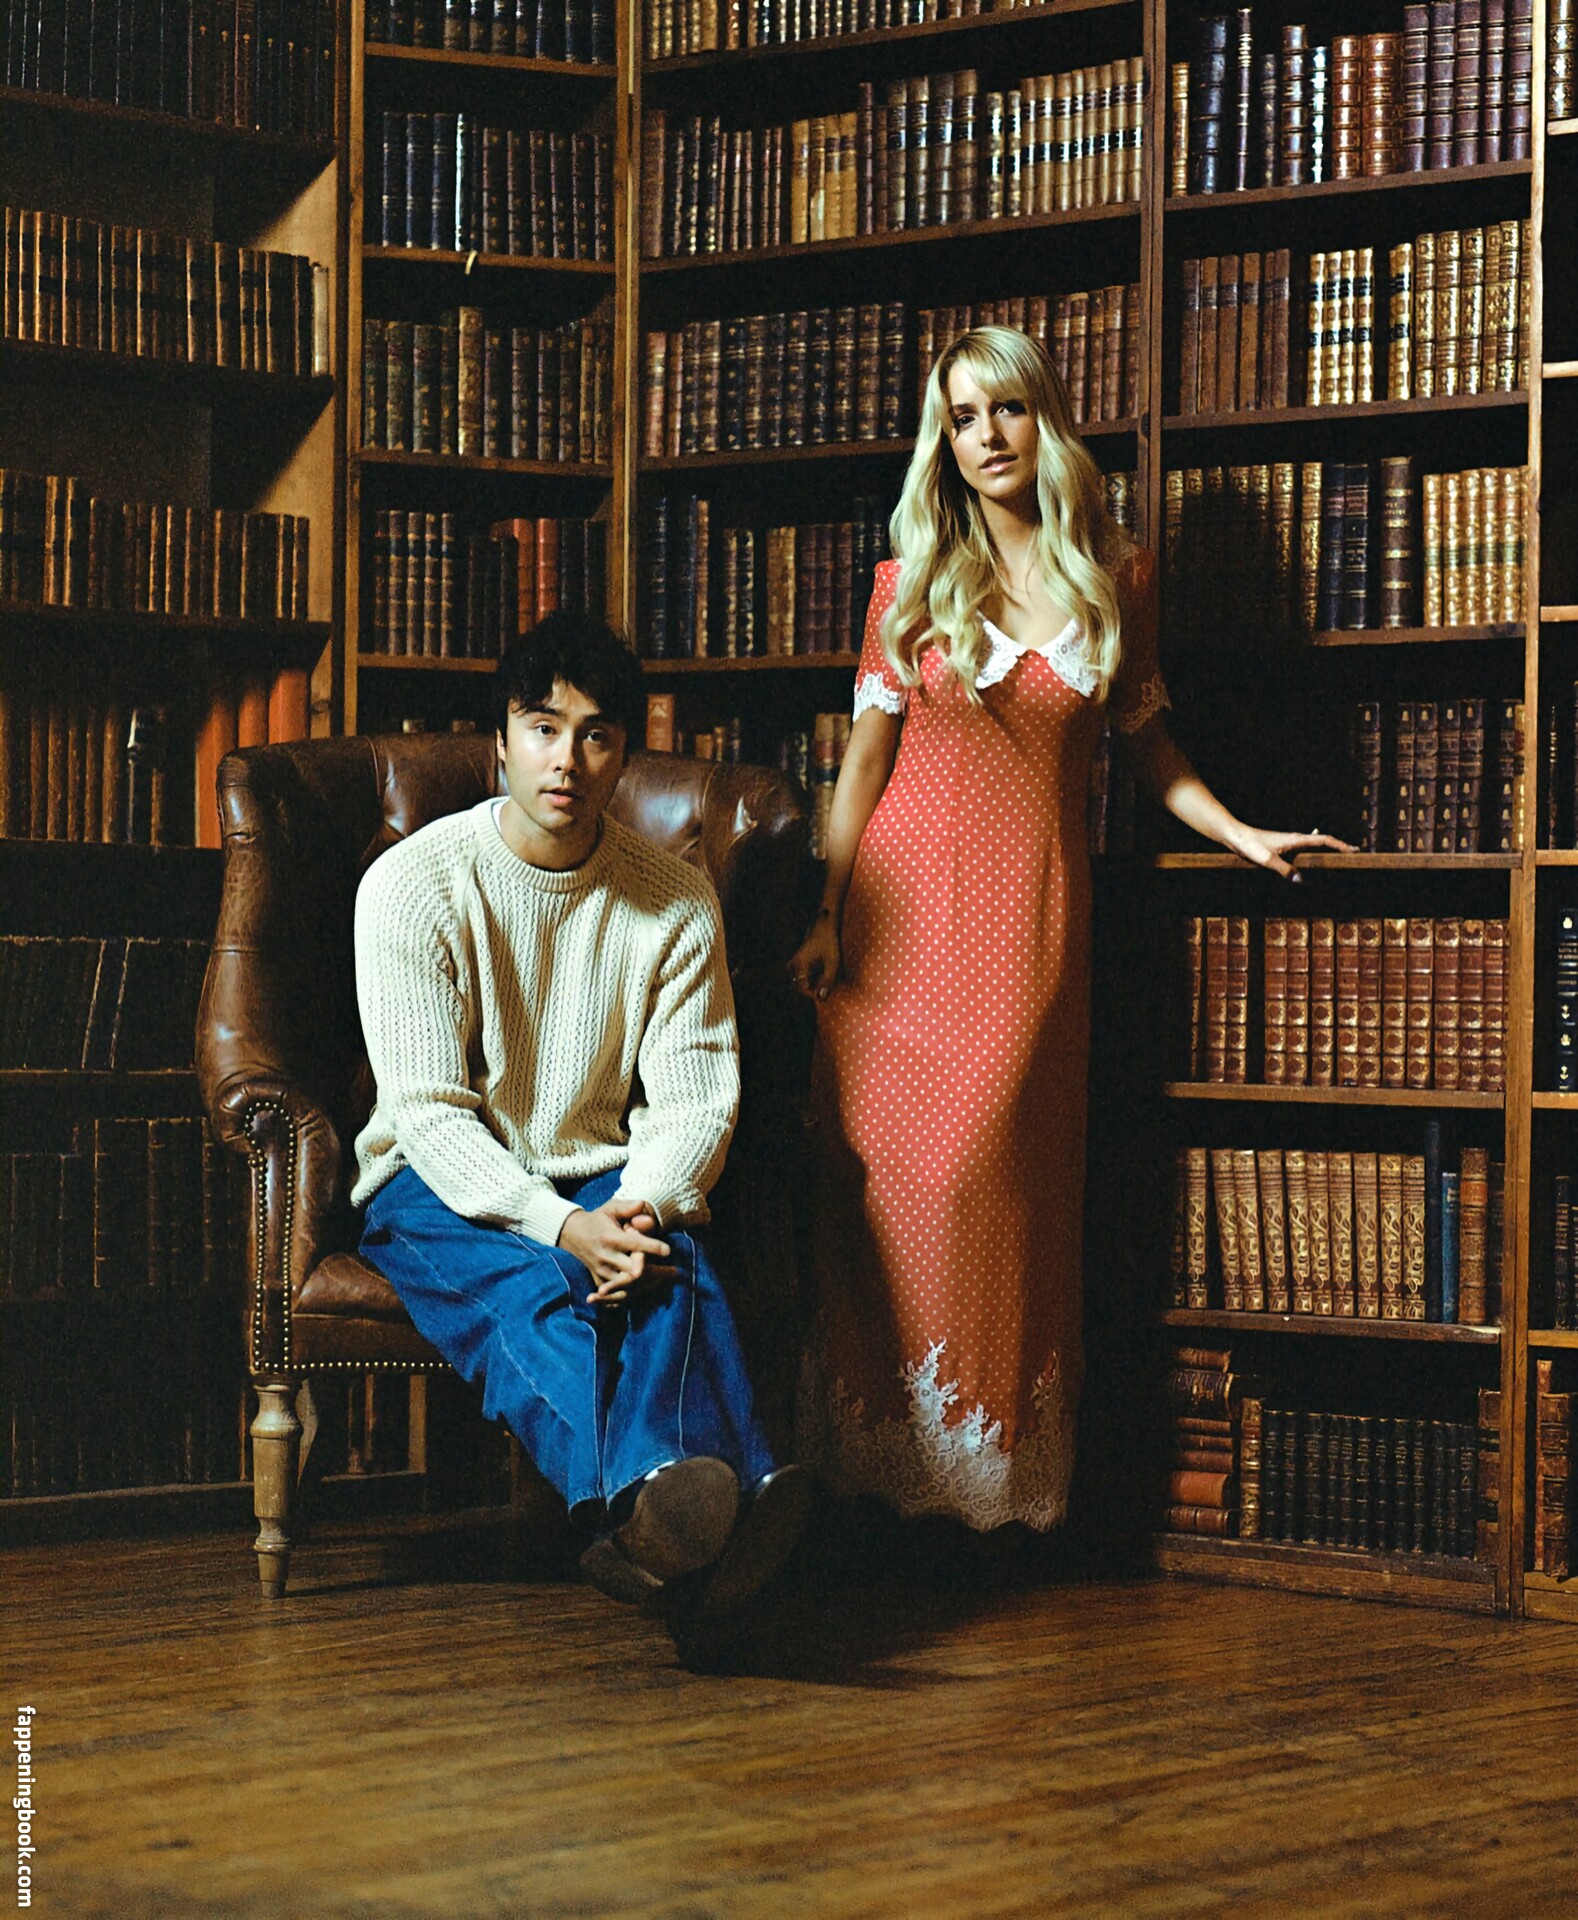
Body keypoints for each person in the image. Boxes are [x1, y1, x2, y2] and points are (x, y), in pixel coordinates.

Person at [790, 326, 1347, 1539]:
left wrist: (1241, 832)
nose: (986, 436)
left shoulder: (1117, 578)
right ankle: (871, 1492)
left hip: (1027, 929)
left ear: (1045, 419)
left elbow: (1147, 744)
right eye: (962, 418)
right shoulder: (908, 579)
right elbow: (864, 762)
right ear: (942, 443)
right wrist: (827, 913)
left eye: (1006, 410)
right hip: (894, 925)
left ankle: (981, 1500)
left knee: (994, 1184)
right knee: (894, 1192)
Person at [351, 611, 808, 1640]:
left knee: (667, 1264)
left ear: (624, 755)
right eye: (544, 728)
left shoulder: (676, 899)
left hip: (603, 1166)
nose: (567, 760)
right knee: (537, 1291)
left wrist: (637, 1209)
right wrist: (559, 1227)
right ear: (501, 741)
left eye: (596, 735)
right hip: (431, 1179)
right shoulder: (412, 884)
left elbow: (695, 1099)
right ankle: (719, 1507)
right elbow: (426, 1111)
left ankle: (660, 1537)